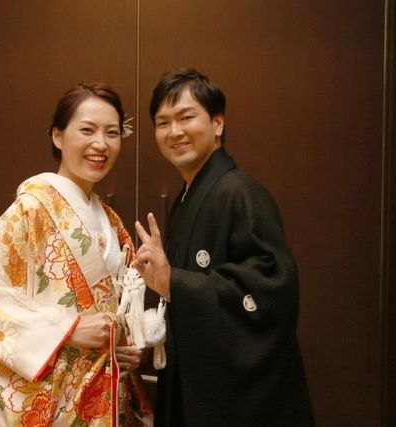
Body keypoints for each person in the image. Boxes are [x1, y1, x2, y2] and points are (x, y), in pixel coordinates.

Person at [0, 83, 151, 426]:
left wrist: (124, 346)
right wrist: (67, 329)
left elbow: (115, 310)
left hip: (101, 395)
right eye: (87, 130)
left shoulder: (111, 220)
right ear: (58, 137)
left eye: (112, 133)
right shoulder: (31, 209)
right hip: (56, 399)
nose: (100, 144)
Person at [133, 68, 314, 426]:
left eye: (186, 117)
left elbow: (271, 291)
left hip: (236, 403)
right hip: (197, 388)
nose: (174, 132)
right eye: (163, 122)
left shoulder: (240, 192)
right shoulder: (189, 197)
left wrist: (175, 284)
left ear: (217, 123)